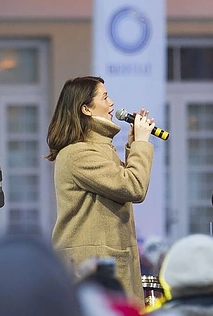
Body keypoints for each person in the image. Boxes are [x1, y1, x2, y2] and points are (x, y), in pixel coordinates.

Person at [47, 76, 154, 301]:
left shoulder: (97, 150)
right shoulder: (78, 154)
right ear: (85, 108)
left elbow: (120, 183)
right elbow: (133, 186)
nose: (111, 103)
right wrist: (142, 144)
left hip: (105, 262)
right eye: (104, 97)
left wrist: (133, 145)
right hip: (92, 266)